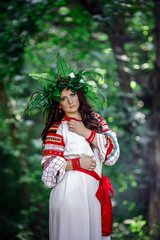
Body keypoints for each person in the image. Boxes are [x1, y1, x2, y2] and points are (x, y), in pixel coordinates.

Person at [24, 52, 120, 240]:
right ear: (58, 104)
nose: (70, 101)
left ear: (79, 94)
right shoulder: (57, 129)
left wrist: (87, 133)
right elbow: (48, 171)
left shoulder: (97, 121)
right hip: (69, 193)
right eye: (63, 98)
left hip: (94, 193)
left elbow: (112, 154)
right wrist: (76, 164)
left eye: (72, 94)